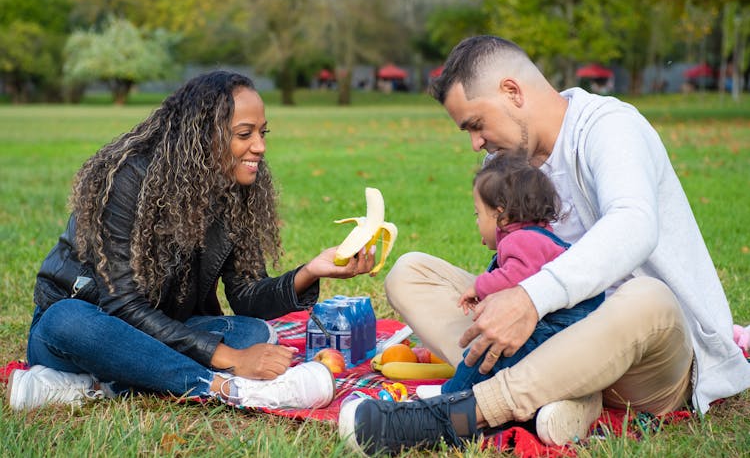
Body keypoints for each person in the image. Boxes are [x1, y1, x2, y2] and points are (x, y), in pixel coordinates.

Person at [339, 35, 750, 455]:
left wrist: (530, 299)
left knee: (646, 298)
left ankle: (457, 415)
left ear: (512, 92)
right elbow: (514, 262)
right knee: (412, 272)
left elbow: (635, 224)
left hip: (647, 359)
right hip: (550, 341)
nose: (475, 144)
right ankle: (563, 399)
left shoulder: (609, 126)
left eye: (476, 125)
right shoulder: (505, 168)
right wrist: (501, 294)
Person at [6, 70, 377, 411]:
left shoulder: (235, 187)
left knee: (253, 332)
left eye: (262, 133)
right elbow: (122, 306)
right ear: (204, 133)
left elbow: (245, 296)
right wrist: (232, 363)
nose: (260, 147)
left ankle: (96, 386)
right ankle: (228, 390)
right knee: (67, 319)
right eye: (244, 134)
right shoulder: (129, 178)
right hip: (87, 331)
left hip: (159, 331)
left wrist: (310, 272)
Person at [436, 151, 603, 395]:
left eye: (478, 214)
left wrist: (480, 286)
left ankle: (451, 395)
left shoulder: (521, 241)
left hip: (557, 326)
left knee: (480, 358)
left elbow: (517, 278)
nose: (476, 222)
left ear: (501, 216)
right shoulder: (536, 236)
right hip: (564, 326)